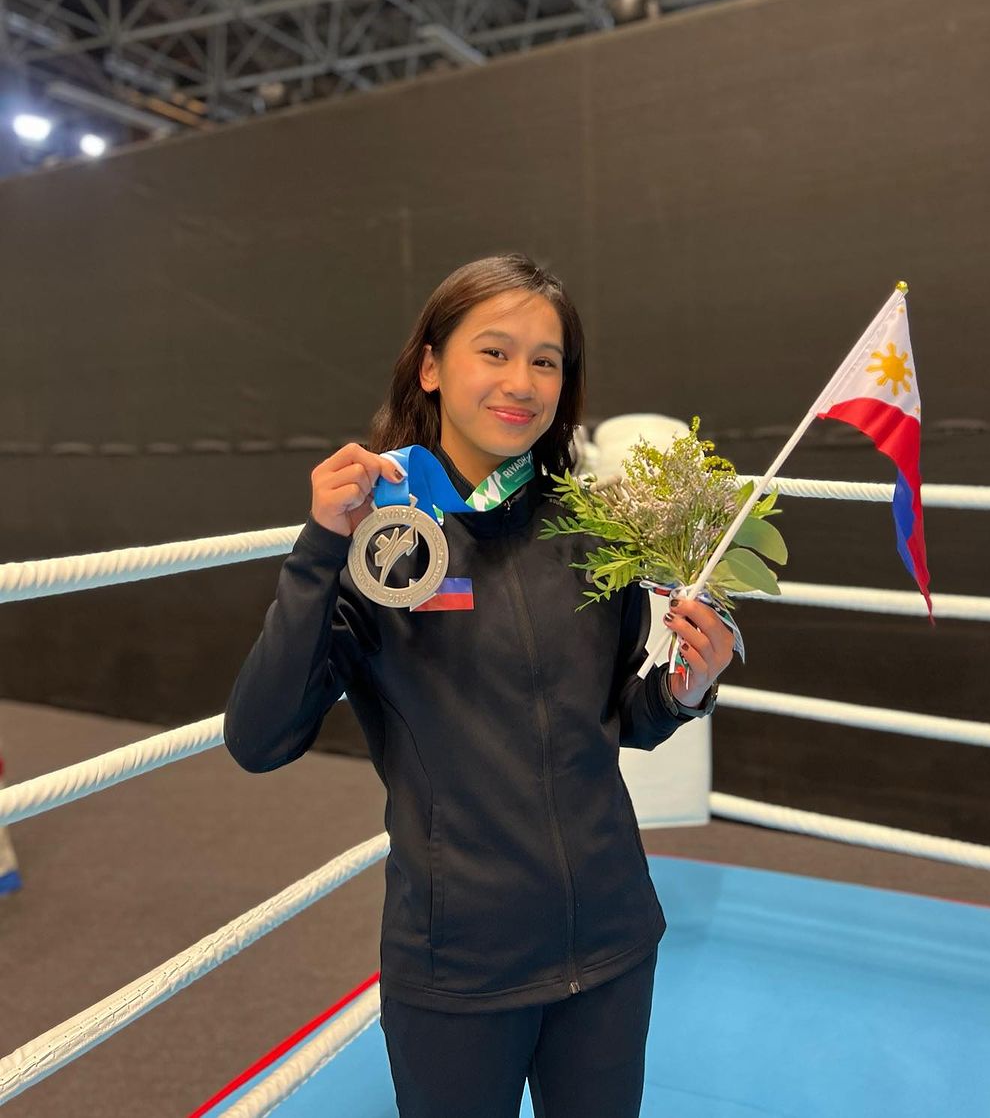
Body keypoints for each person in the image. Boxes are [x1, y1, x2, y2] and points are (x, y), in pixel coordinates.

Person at [223, 253, 735, 1118]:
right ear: (431, 365)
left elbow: (621, 725)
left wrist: (688, 684)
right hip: (459, 967)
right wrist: (318, 548)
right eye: (493, 352)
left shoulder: (588, 526)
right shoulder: (380, 538)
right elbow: (260, 738)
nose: (523, 382)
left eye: (546, 359)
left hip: (611, 945)